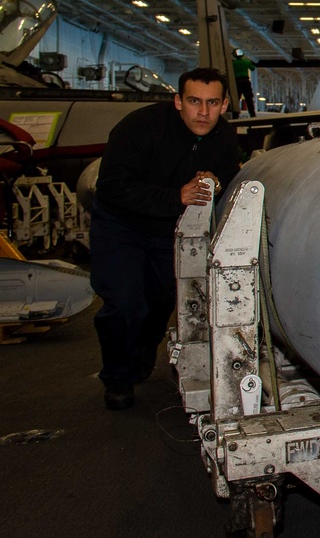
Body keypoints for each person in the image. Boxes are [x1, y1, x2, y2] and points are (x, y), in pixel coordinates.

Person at [90, 67, 242, 410]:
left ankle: (140, 358)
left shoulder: (223, 137)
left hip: (166, 232)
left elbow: (229, 175)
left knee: (160, 302)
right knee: (125, 304)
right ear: (178, 101)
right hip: (121, 227)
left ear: (224, 104)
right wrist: (176, 196)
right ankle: (117, 377)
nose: (203, 112)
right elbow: (111, 187)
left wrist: (215, 182)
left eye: (212, 103)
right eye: (194, 102)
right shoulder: (139, 128)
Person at [231, 48, 256, 117]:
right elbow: (253, 68)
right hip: (246, 81)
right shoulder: (246, 62)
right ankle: (252, 113)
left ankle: (235, 114)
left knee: (237, 98)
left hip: (237, 82)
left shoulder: (233, 64)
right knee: (249, 98)